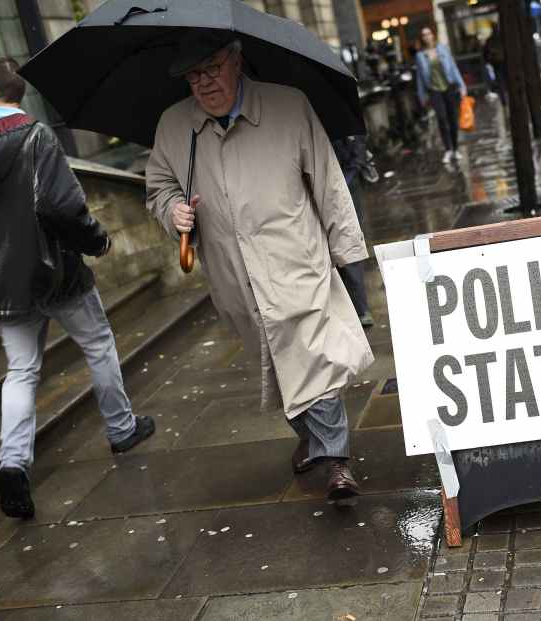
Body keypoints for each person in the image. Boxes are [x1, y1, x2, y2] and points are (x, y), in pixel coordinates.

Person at [145, 34, 373, 503]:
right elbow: (158, 187)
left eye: (210, 68)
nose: (202, 83)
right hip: (234, 276)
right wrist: (173, 212)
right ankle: (311, 437)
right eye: (192, 76)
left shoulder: (288, 107)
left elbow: (328, 181)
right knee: (276, 361)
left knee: (313, 356)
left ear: (235, 59)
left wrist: (347, 252)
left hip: (295, 261)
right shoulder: (174, 127)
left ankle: (337, 462)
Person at [0, 57, 154, 520]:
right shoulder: (36, 137)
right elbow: (62, 205)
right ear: (18, 92)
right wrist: (96, 240)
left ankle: (13, 462)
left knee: (21, 370)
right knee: (98, 345)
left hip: (3, 282)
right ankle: (121, 429)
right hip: (56, 272)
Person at [331, 135, 374, 329]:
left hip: (345, 185)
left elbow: (357, 153)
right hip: (331, 185)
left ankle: (360, 308)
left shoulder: (340, 125)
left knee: (347, 245)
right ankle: (352, 307)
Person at [415, 26, 468, 164]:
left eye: (429, 34)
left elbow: (453, 67)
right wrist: (422, 96)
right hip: (434, 91)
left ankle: (456, 149)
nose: (427, 37)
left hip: (449, 88)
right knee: (442, 119)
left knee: (452, 119)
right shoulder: (420, 56)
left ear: (433, 35)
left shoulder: (443, 49)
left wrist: (461, 85)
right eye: (424, 35)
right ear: (422, 38)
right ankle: (448, 150)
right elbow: (420, 78)